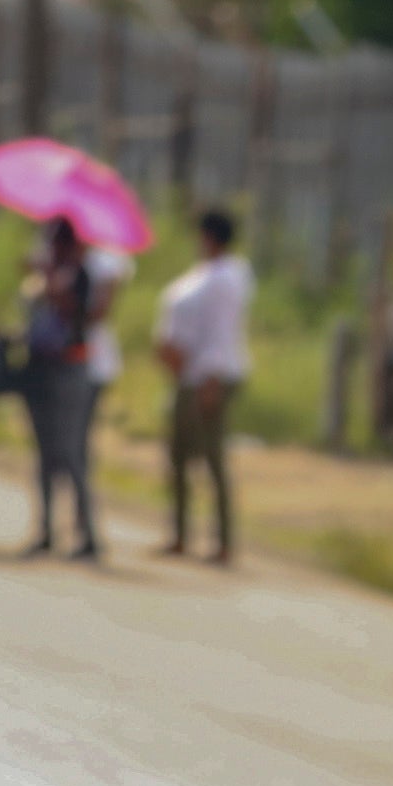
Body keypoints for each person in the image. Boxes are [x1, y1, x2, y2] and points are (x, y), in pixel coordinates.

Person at [157, 205, 249, 563]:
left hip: (208, 377)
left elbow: (222, 336)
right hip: (189, 375)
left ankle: (224, 542)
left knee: (211, 459)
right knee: (179, 456)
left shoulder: (227, 278)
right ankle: (180, 534)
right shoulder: (207, 274)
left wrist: (212, 379)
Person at [19, 217, 104, 562]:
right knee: (43, 454)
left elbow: (78, 311)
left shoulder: (81, 274)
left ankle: (87, 533)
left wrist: (51, 280)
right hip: (41, 366)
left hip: (70, 369)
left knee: (71, 453)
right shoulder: (42, 278)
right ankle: (45, 530)